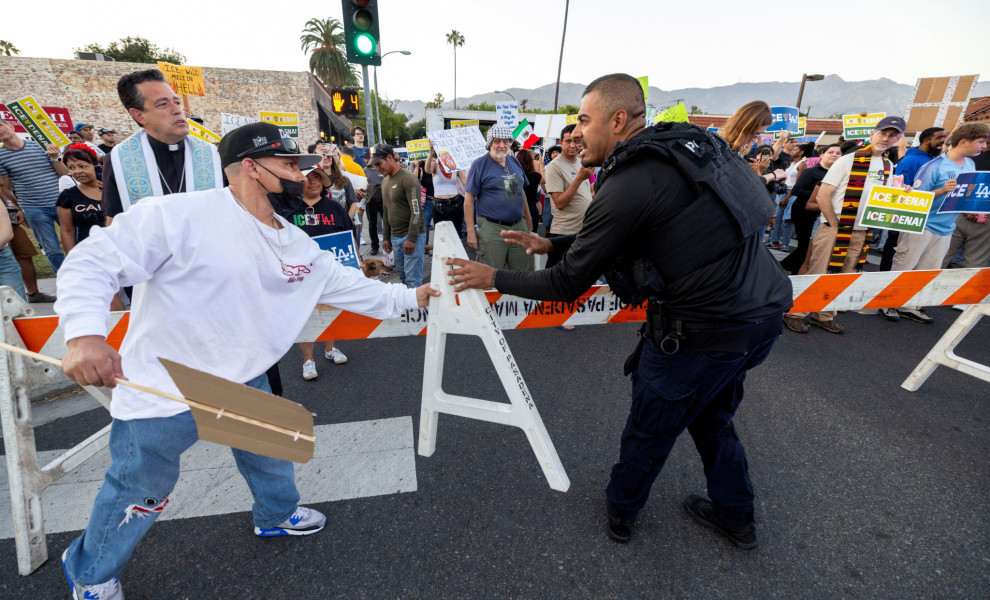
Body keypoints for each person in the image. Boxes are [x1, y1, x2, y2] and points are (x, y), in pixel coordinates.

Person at [56, 121, 439, 599]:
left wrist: (417, 296)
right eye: (290, 166)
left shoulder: (296, 242)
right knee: (139, 492)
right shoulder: (176, 215)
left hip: (246, 377)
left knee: (271, 452)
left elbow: (357, 290)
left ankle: (276, 516)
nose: (303, 176)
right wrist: (85, 337)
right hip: (164, 384)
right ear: (252, 168)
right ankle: (90, 572)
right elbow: (92, 262)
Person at [446, 73, 791, 549]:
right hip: (762, 317)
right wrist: (554, 243)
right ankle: (737, 517)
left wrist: (493, 277)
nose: (576, 132)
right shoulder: (685, 149)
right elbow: (648, 231)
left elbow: (566, 285)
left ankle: (621, 511)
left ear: (618, 120)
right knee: (712, 417)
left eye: (584, 120)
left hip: (700, 333)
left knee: (651, 429)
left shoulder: (630, 178)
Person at [785, 117, 905, 334]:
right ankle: (795, 313)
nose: (886, 139)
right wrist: (833, 223)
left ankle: (825, 315)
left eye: (892, 136)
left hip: (862, 230)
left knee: (843, 277)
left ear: (897, 139)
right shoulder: (848, 160)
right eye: (883, 133)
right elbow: (823, 194)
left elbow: (883, 198)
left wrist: (902, 192)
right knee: (817, 273)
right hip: (835, 228)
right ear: (873, 134)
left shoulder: (888, 165)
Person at [885, 122, 989, 323]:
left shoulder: (970, 164)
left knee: (927, 271)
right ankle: (886, 303)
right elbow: (916, 199)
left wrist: (970, 207)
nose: (983, 147)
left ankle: (909, 305)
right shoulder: (934, 166)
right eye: (980, 142)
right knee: (904, 266)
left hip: (946, 228)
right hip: (922, 226)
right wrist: (941, 191)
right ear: (964, 141)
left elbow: (962, 196)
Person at [102, 69, 223, 218]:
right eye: (163, 104)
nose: (177, 110)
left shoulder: (213, 155)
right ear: (139, 115)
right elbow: (114, 221)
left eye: (177, 102)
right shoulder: (118, 160)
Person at [283, 166, 356, 378]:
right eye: (308, 178)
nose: (313, 181)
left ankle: (330, 349)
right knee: (305, 315)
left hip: (330, 272)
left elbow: (348, 235)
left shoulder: (335, 207)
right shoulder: (288, 211)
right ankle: (308, 360)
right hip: (301, 274)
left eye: (317, 177)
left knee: (328, 309)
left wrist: (355, 259)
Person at [0, 120, 69, 275]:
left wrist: (54, 157)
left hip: (61, 202)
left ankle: (86, 277)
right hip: (34, 208)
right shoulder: (1, 156)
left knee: (76, 242)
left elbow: (65, 174)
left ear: (11, 126)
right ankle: (65, 280)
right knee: (52, 249)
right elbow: (4, 187)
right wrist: (16, 208)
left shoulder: (40, 146)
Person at [464, 124, 534, 272]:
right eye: (497, 141)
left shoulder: (513, 161)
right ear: (490, 143)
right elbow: (469, 200)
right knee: (489, 275)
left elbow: (520, 191)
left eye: (505, 141)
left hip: (518, 226)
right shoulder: (479, 164)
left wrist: (528, 220)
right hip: (492, 228)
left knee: (524, 274)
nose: (502, 145)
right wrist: (470, 231)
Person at [879, 127, 947, 271]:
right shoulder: (911, 160)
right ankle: (885, 278)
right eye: (939, 137)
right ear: (926, 140)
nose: (943, 141)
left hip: (920, 218)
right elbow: (901, 187)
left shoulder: (933, 159)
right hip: (905, 215)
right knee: (895, 250)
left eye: (944, 137)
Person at [779, 144, 842, 278]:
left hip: (820, 215)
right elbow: (797, 190)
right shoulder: (812, 172)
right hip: (803, 212)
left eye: (838, 153)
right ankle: (788, 270)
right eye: (830, 152)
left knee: (809, 247)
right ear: (821, 155)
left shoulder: (838, 173)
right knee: (806, 246)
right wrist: (821, 196)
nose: (834, 155)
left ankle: (788, 268)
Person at [369, 144, 427, 288]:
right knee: (402, 276)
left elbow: (416, 211)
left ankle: (417, 303)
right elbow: (386, 210)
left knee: (412, 280)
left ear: (389, 158)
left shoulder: (408, 179)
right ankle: (409, 302)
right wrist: (386, 237)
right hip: (395, 237)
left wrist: (411, 238)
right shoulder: (385, 181)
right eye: (375, 165)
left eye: (379, 164)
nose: (377, 168)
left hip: (411, 236)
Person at [545, 124, 594, 244]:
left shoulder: (582, 162)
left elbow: (590, 190)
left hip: (584, 230)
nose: (572, 145)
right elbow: (559, 203)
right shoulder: (554, 166)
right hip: (565, 232)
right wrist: (579, 178)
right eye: (568, 141)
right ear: (561, 143)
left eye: (576, 141)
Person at [56, 146, 106, 251]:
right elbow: (67, 231)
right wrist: (72, 257)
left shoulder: (113, 190)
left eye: (83, 166)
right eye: (71, 168)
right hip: (89, 252)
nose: (77, 171)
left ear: (95, 165)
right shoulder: (67, 196)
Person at [769, 141, 813, 250]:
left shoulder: (802, 164)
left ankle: (785, 244)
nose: (792, 151)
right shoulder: (792, 163)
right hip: (783, 192)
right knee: (777, 218)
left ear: (801, 152)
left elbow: (798, 184)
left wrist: (787, 198)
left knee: (788, 220)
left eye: (795, 149)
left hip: (792, 194)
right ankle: (774, 241)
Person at [426, 141, 466, 243]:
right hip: (439, 206)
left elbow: (466, 182)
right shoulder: (435, 165)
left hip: (455, 204)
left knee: (456, 237)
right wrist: (430, 152)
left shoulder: (455, 166)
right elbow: (427, 170)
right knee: (442, 238)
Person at [517, 148, 544, 233]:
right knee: (532, 235)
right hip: (532, 208)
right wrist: (541, 165)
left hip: (518, 208)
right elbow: (544, 180)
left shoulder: (515, 176)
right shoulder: (536, 176)